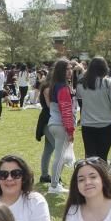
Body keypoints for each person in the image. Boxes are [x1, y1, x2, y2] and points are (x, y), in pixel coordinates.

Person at [74, 57, 111, 160]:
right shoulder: (109, 83)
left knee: (90, 157)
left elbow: (80, 101)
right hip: (106, 124)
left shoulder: (81, 83)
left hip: (87, 124)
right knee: (102, 156)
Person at [38, 59, 75, 194]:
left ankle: (54, 183)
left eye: (71, 68)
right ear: (61, 71)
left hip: (54, 123)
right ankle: (54, 185)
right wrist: (70, 130)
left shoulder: (55, 86)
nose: (70, 71)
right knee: (60, 156)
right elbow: (66, 110)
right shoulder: (62, 87)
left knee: (58, 155)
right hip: (60, 125)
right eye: (67, 69)